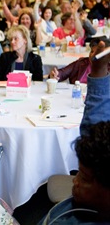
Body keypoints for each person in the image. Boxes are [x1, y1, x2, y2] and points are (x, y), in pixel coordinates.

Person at [40, 39, 110, 224]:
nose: (75, 181)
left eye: (85, 178)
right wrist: (98, 72)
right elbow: (92, 127)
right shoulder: (90, 206)